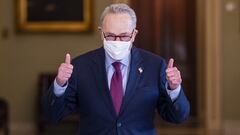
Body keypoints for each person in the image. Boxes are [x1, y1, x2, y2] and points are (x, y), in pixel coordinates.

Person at [42, 3, 190, 135]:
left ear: (134, 34)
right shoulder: (81, 66)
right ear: (101, 33)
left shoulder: (155, 65)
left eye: (124, 36)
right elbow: (52, 115)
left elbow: (178, 117)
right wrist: (59, 84)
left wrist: (174, 89)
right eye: (111, 36)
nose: (117, 41)